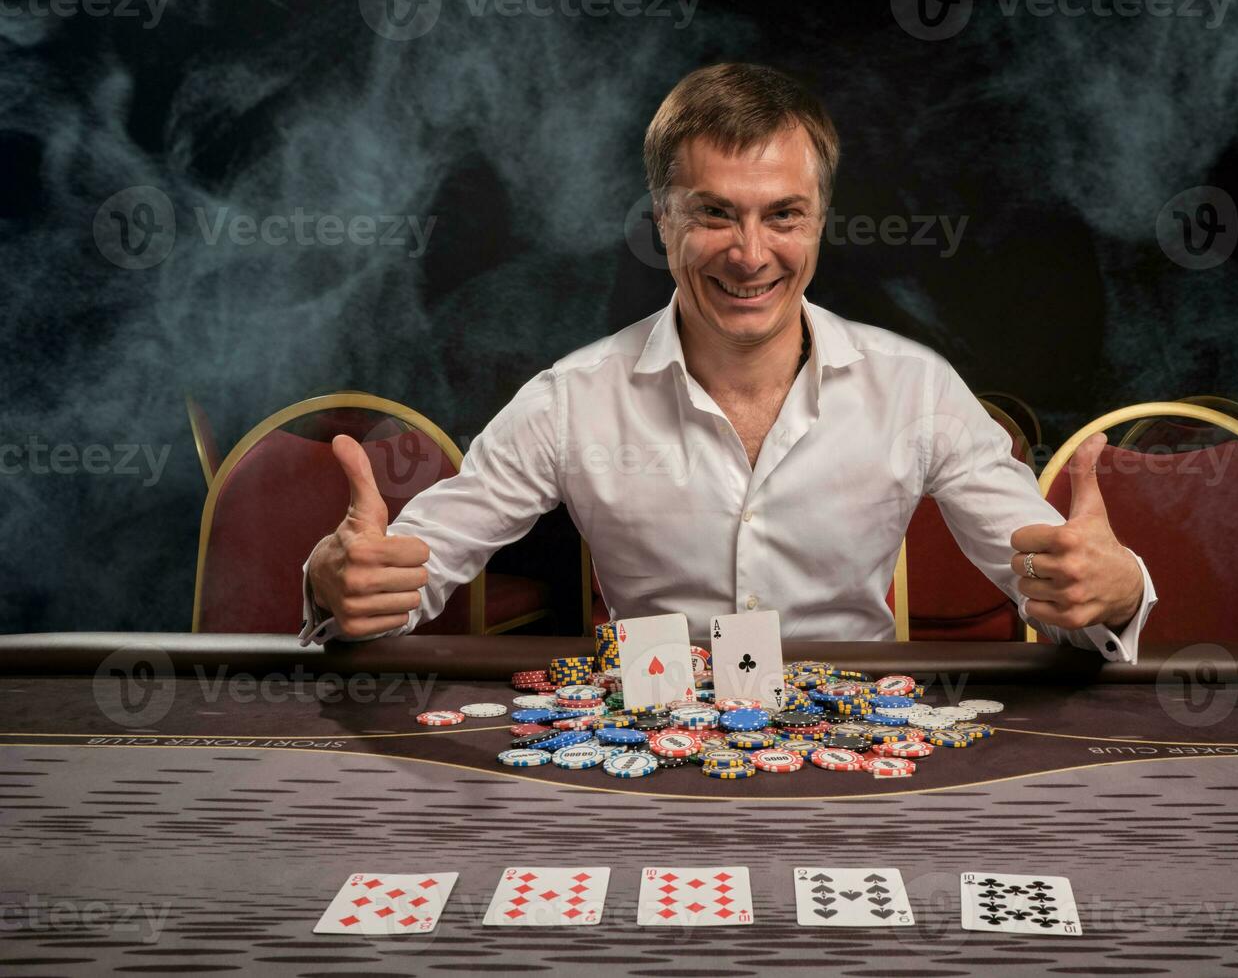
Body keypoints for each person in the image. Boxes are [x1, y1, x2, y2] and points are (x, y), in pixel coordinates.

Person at [301, 62, 1155, 660]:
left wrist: (1110, 594)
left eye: (783, 215)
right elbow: (397, 584)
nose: (751, 254)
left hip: (855, 756)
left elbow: (1061, 587)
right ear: (663, 222)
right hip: (645, 755)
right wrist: (345, 587)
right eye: (715, 214)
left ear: (819, 221)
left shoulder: (917, 389)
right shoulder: (569, 400)